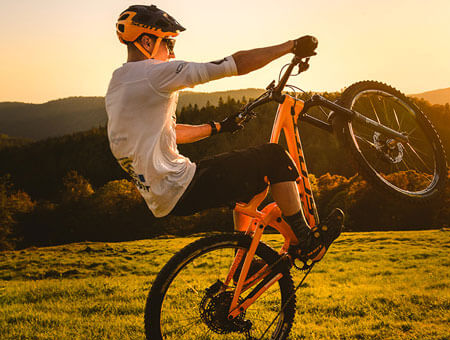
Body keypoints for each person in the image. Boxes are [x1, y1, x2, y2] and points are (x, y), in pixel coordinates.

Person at [105, 5, 343, 263]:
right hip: (180, 185)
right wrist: (291, 46)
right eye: (168, 43)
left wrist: (218, 127)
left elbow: (169, 133)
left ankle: (242, 260)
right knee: (275, 157)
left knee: (250, 184)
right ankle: (307, 242)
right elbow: (233, 64)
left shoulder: (119, 81)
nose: (172, 53)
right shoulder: (154, 73)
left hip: (162, 195)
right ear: (147, 42)